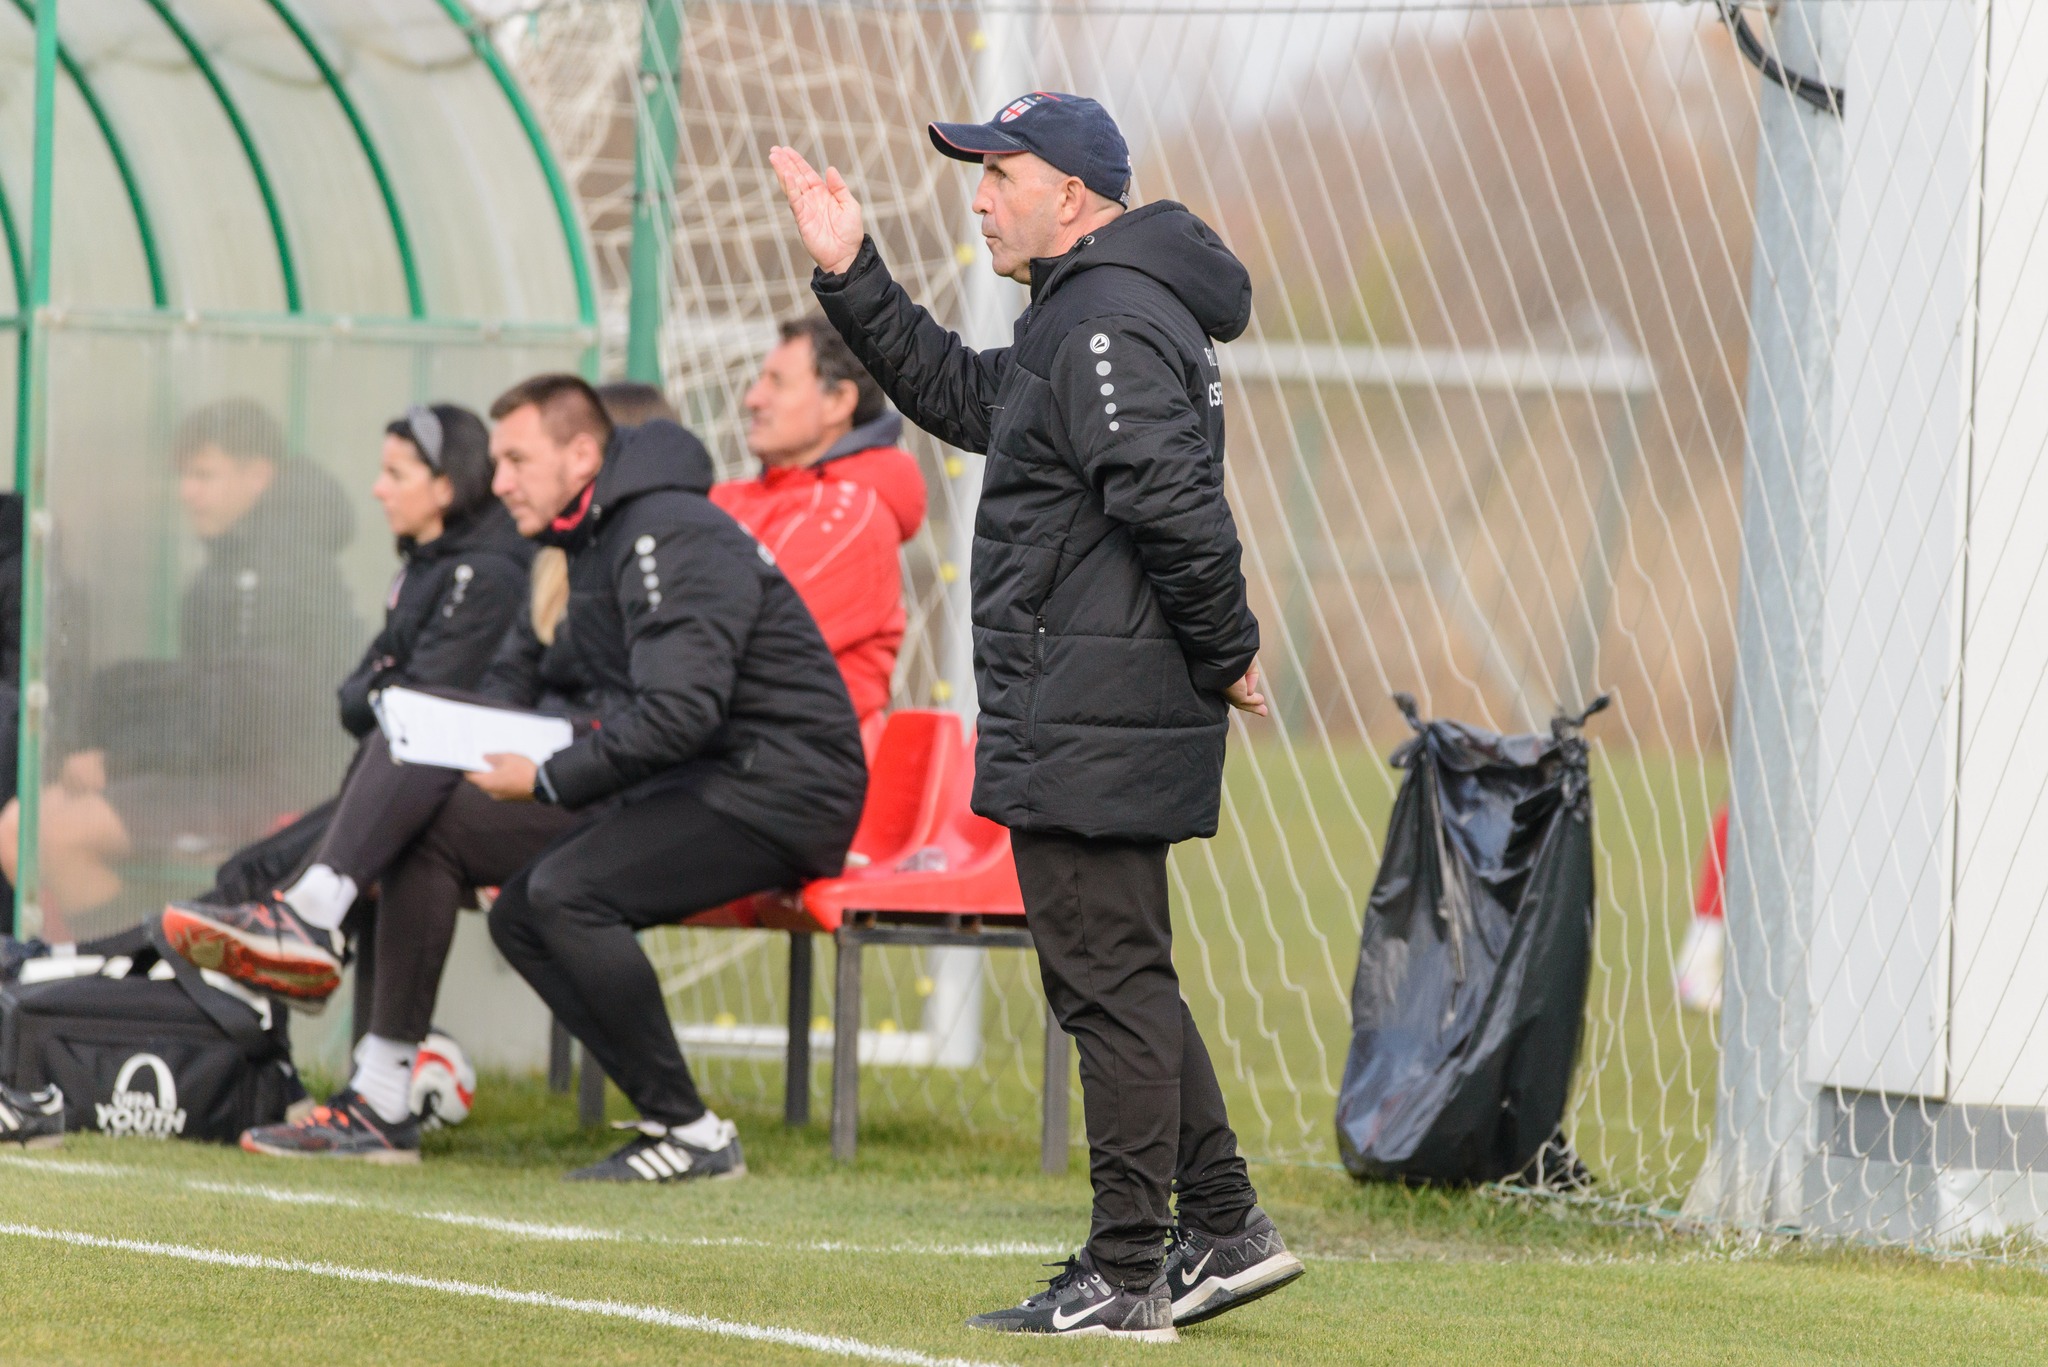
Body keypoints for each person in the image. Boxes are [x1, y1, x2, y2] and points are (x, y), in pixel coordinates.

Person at [771, 92, 1303, 1339]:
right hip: (1088, 700)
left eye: (995, 172)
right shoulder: (1085, 314)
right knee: (1121, 974)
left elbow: (1170, 504)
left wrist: (1227, 648)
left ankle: (1127, 1268)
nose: (977, 194)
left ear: (1069, 193)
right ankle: (1223, 1224)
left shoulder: (1107, 319)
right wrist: (851, 272)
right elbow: (966, 397)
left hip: (1096, 703)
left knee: (1103, 981)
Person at [176, 376, 867, 1175]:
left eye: (515, 459)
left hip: (771, 793)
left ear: (581, 454)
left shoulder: (665, 531)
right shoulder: (590, 538)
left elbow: (681, 714)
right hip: (675, 774)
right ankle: (379, 1093)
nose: (498, 481)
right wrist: (480, 745)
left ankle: (690, 1131)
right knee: (442, 816)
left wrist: (544, 777)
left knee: (560, 897)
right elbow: (545, 690)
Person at [164, 404, 531, 1024]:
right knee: (249, 873)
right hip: (384, 789)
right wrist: (387, 687)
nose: (377, 488)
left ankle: (226, 1044)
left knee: (261, 876)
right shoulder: (424, 567)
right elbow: (355, 700)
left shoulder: (486, 574)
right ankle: (218, 1036)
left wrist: (387, 687)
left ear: (445, 486)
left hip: (448, 801)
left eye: (395, 473)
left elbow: (421, 716)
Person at [0, 400, 357, 937]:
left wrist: (122, 759)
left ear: (258, 475)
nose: (187, 492)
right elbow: (210, 691)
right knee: (22, 824)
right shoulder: (238, 563)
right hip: (220, 767)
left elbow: (247, 709)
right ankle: (119, 974)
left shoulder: (279, 573)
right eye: (184, 476)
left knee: (41, 833)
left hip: (267, 783)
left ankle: (132, 979)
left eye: (204, 475)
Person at [711, 315, 926, 728]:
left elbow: (742, 641)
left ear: (838, 402)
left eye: (777, 382)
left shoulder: (851, 519)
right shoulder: (736, 495)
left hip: (785, 764)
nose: (753, 398)